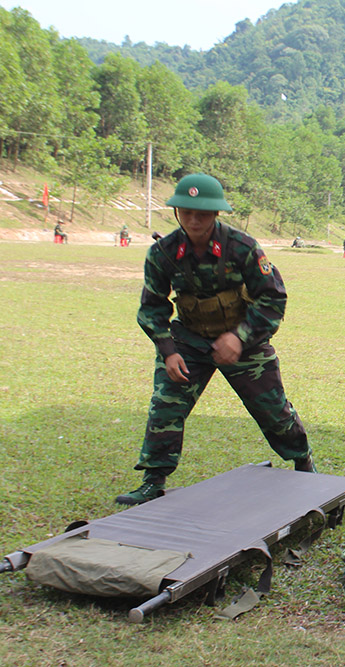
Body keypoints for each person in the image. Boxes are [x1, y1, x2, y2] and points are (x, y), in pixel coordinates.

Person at [115, 173, 313, 505]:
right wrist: (167, 351)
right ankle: (153, 480)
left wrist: (239, 337)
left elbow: (273, 298)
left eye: (202, 214)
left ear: (216, 214)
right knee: (166, 406)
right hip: (188, 342)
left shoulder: (242, 248)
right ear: (177, 212)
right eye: (186, 212)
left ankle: (303, 465)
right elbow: (152, 307)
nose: (194, 220)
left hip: (243, 342)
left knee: (273, 411)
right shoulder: (162, 254)